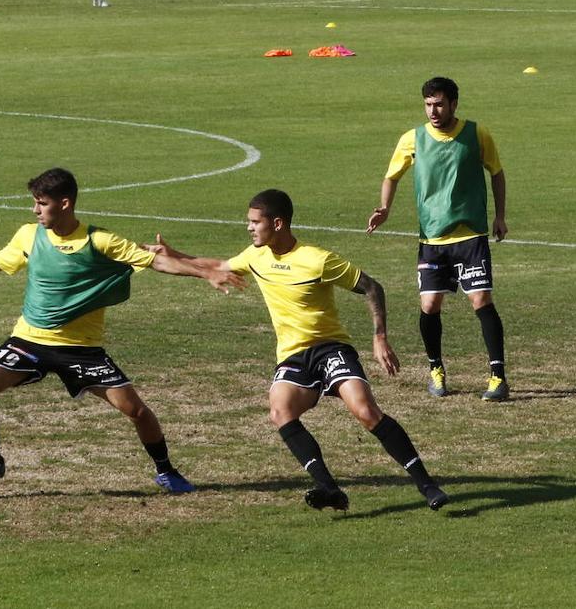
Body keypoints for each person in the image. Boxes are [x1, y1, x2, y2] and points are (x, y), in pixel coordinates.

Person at [0, 168, 245, 498]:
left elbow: (155, 261)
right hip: (29, 340)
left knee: (136, 411)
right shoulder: (29, 235)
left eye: (42, 203)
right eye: (35, 203)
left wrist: (204, 274)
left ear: (64, 203)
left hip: (81, 349)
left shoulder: (100, 241)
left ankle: (166, 471)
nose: (35, 210)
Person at [152, 190, 449, 512]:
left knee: (365, 411)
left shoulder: (317, 259)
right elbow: (218, 266)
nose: (249, 228)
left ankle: (427, 485)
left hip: (330, 348)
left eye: (255, 222)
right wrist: (175, 254)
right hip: (294, 356)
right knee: (280, 410)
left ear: (277, 223)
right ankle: (329, 488)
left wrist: (379, 338)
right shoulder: (256, 256)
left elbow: (372, 287)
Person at [367, 77, 509, 402]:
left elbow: (497, 173)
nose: (434, 110)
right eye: (429, 104)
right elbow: (392, 176)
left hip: (470, 234)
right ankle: (436, 369)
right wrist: (385, 208)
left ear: (454, 104)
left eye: (440, 104)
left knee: (481, 300)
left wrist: (499, 216)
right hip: (432, 237)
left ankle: (498, 377)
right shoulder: (412, 139)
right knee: (429, 304)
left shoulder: (477, 134)